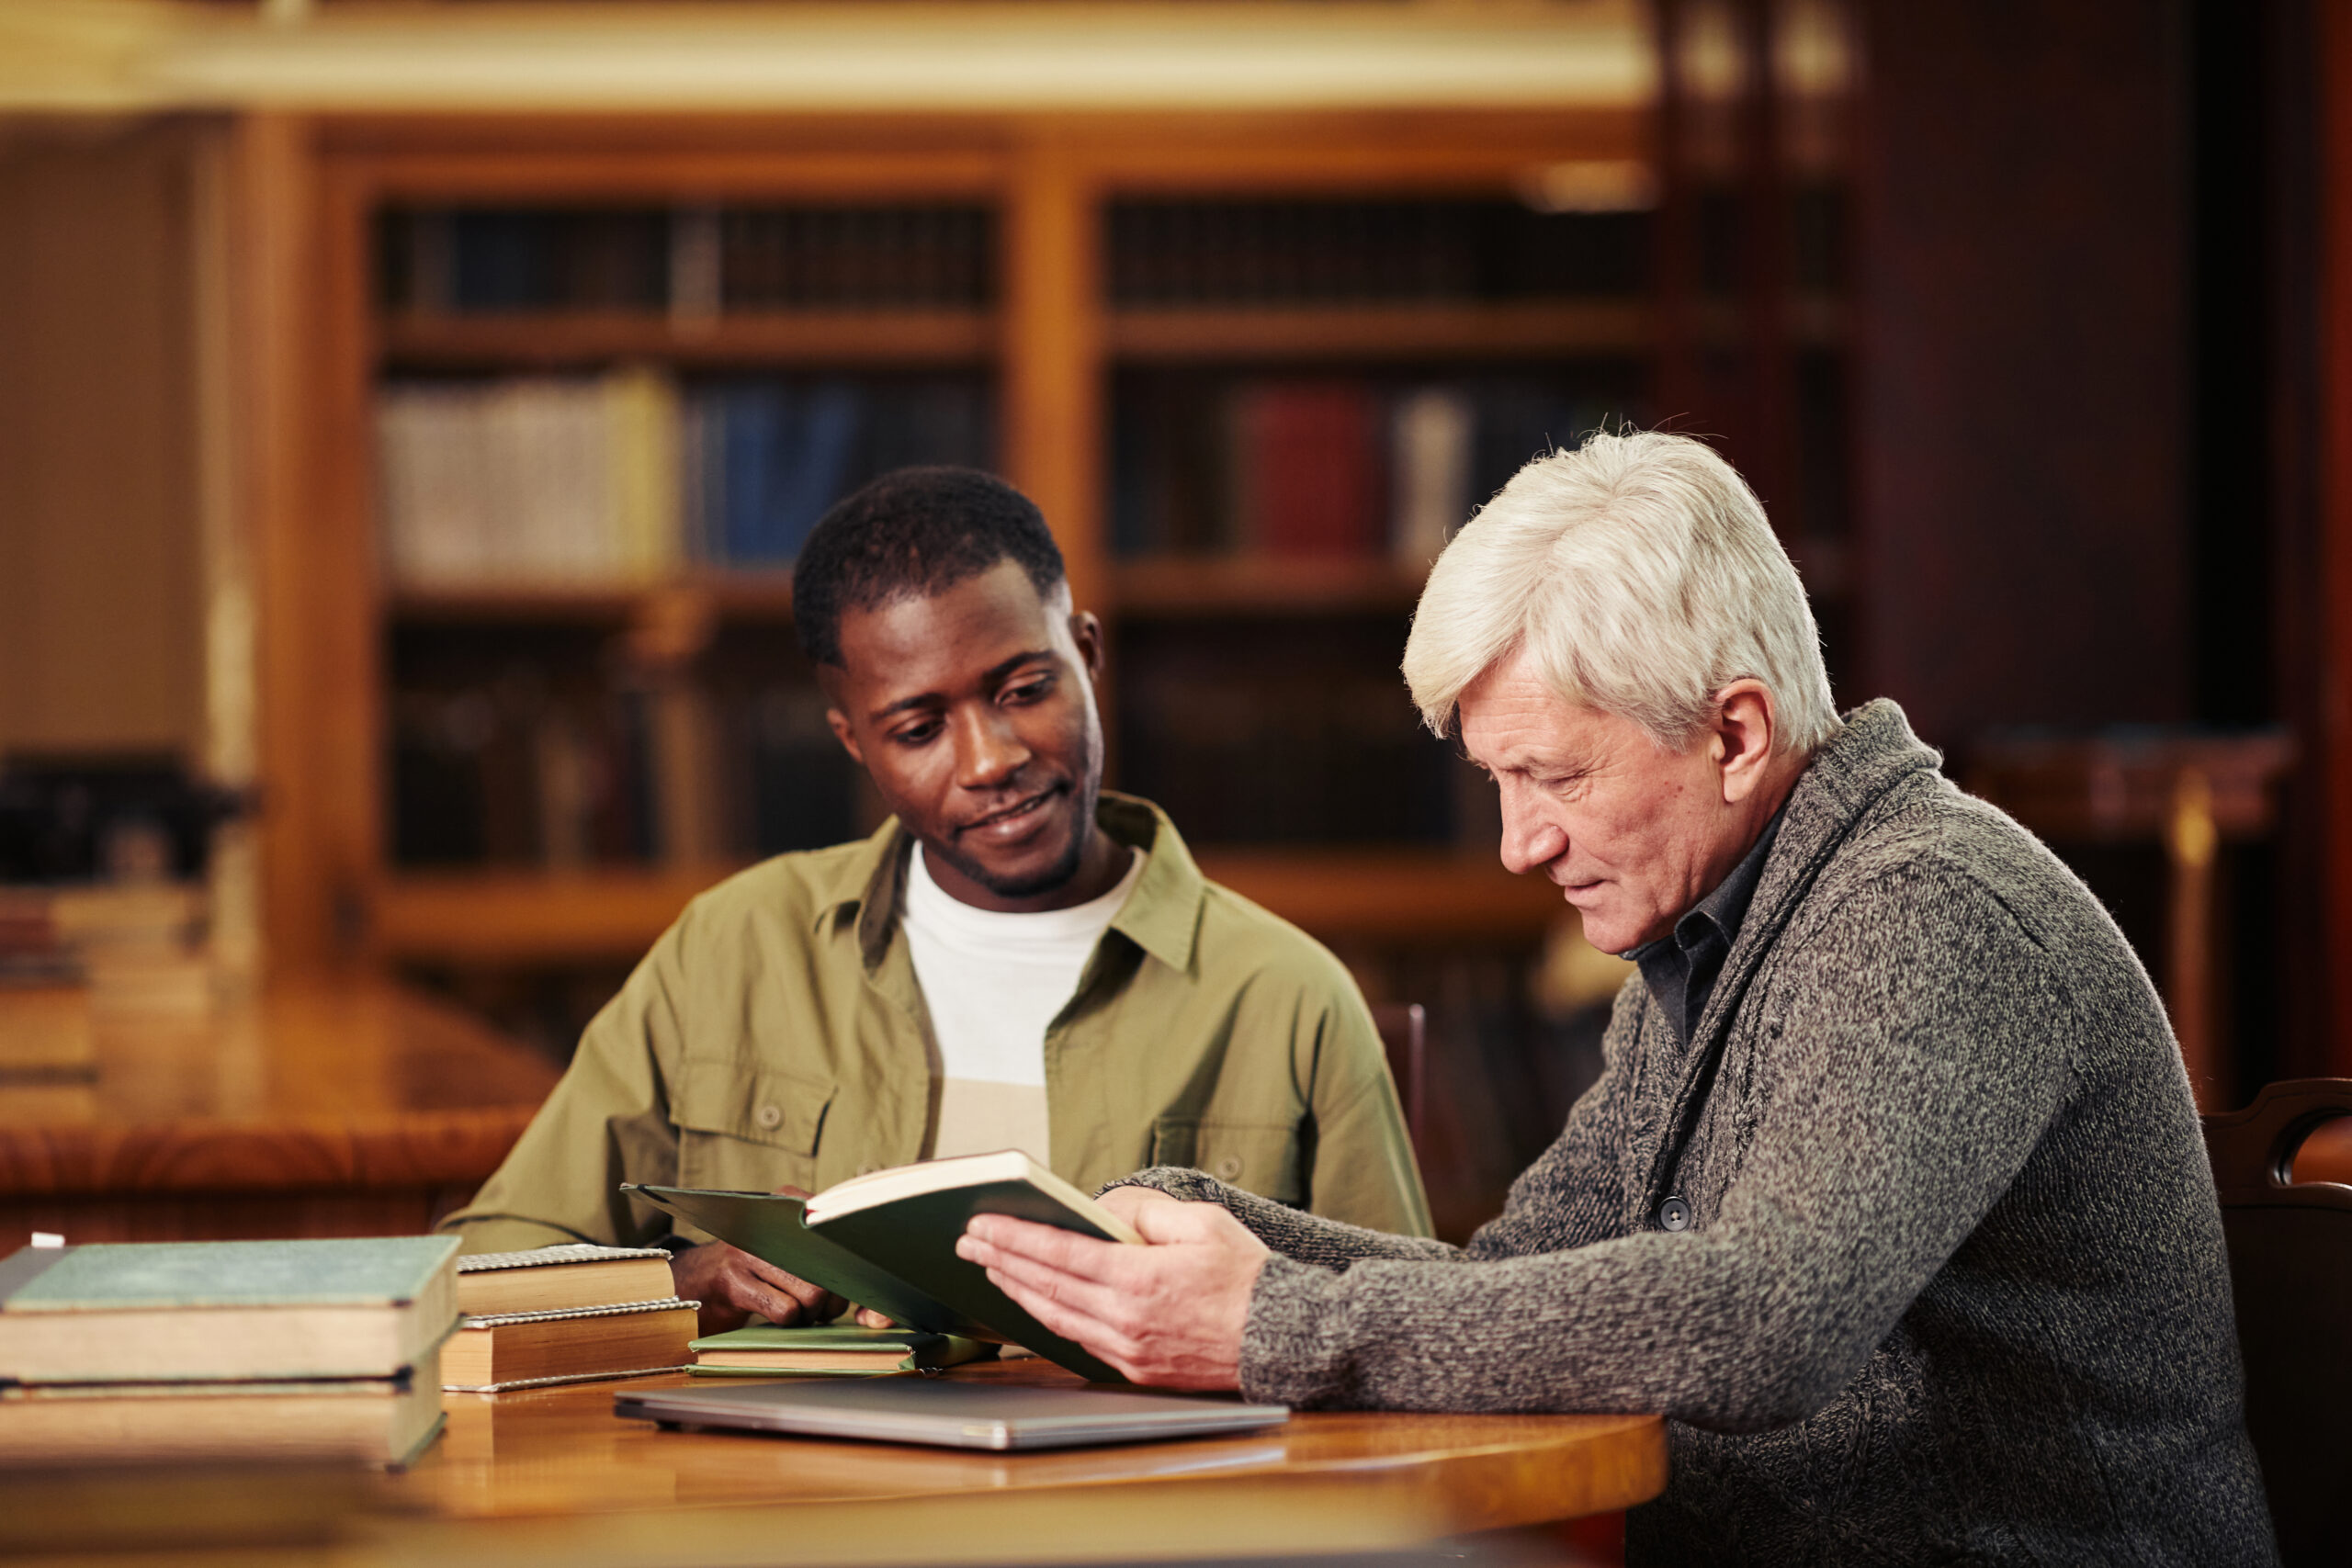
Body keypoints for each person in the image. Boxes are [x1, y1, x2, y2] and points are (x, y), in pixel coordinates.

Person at [955, 432, 2277, 1565]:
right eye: (1499, 782)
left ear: (1738, 731)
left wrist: (1272, 1319)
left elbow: (1765, 1321)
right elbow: (1528, 1288)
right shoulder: (1713, 922)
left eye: (1554, 776)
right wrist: (1196, 1226)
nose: (1518, 844)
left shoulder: (1930, 913)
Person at [443, 467, 1430, 1331]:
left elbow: (1395, 1331)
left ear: (1087, 655)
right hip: (796, 1514)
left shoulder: (1287, 997)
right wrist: (681, 1278)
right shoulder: (732, 948)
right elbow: (488, 1264)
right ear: (853, 745)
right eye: (918, 728)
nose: (991, 760)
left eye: (1023, 687)